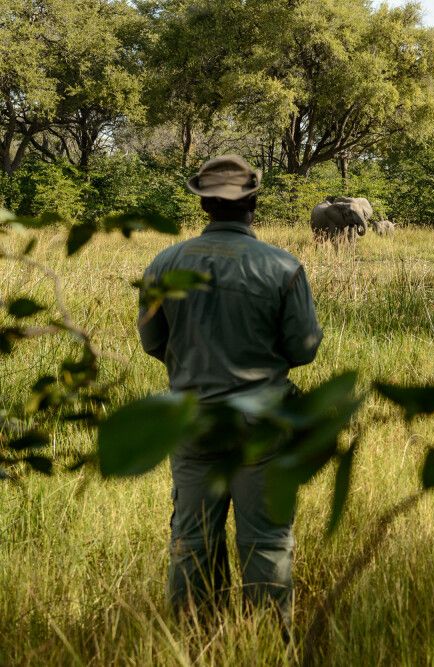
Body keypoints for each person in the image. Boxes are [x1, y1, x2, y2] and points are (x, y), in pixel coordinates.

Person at [138, 155, 323, 631]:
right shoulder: (283, 266)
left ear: (204, 204)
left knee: (193, 540)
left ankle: (195, 636)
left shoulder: (165, 263)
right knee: (266, 540)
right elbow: (303, 351)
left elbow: (152, 342)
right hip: (263, 426)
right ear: (253, 204)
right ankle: (266, 639)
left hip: (192, 422)